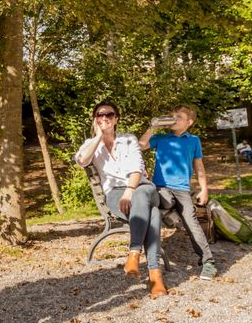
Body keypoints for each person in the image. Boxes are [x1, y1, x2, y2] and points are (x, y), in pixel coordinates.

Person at [74, 101, 168, 298]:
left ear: (116, 119)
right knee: (153, 214)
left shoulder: (128, 139)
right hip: (114, 194)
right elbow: (82, 160)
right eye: (100, 115)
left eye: (109, 115)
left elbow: (136, 168)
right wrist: (99, 137)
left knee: (142, 195)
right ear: (95, 119)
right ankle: (155, 275)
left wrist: (129, 191)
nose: (104, 118)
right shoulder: (90, 145)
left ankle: (134, 253)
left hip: (140, 187)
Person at [140, 105, 218, 281]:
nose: (174, 119)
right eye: (172, 116)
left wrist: (204, 189)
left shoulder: (193, 140)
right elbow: (141, 145)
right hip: (161, 188)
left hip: (182, 190)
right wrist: (153, 127)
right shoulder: (161, 138)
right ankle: (153, 258)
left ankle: (208, 262)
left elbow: (199, 167)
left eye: (179, 117)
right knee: (162, 202)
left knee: (192, 221)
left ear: (189, 122)